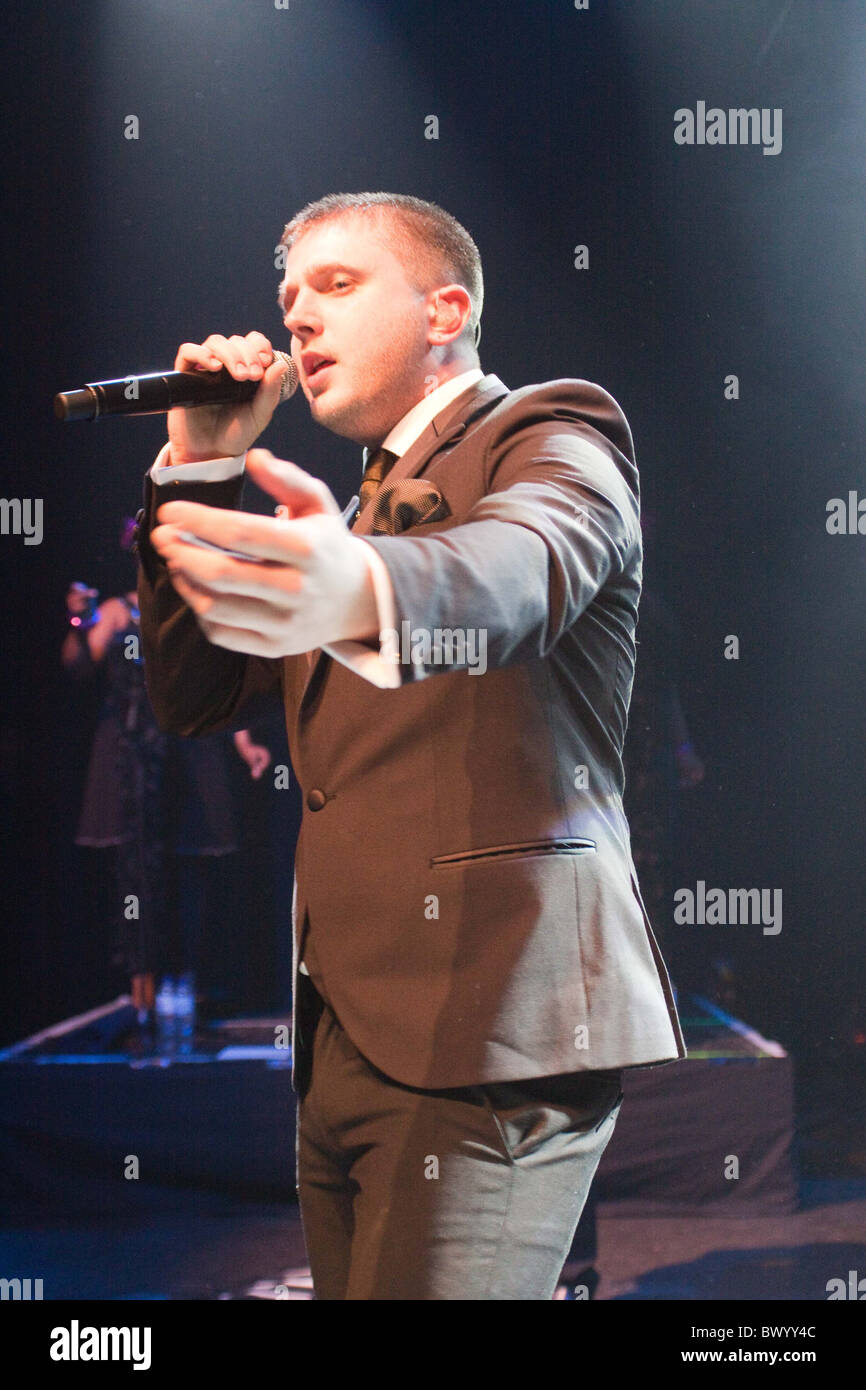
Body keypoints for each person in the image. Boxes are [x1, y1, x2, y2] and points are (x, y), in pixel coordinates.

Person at [134, 191, 685, 1299]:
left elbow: (519, 567)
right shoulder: (348, 517)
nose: (297, 321)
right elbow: (191, 697)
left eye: (336, 286)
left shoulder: (550, 433)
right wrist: (198, 468)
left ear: (445, 309)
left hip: (490, 1026)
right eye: (288, 302)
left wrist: (367, 584)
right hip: (347, 1033)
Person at [63, 522, 271, 1028]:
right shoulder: (115, 611)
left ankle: (192, 980)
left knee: (193, 866)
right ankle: (141, 982)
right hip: (130, 750)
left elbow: (219, 677)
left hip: (187, 742)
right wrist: (77, 621)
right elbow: (76, 667)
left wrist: (244, 743)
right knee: (136, 867)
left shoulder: (189, 608)